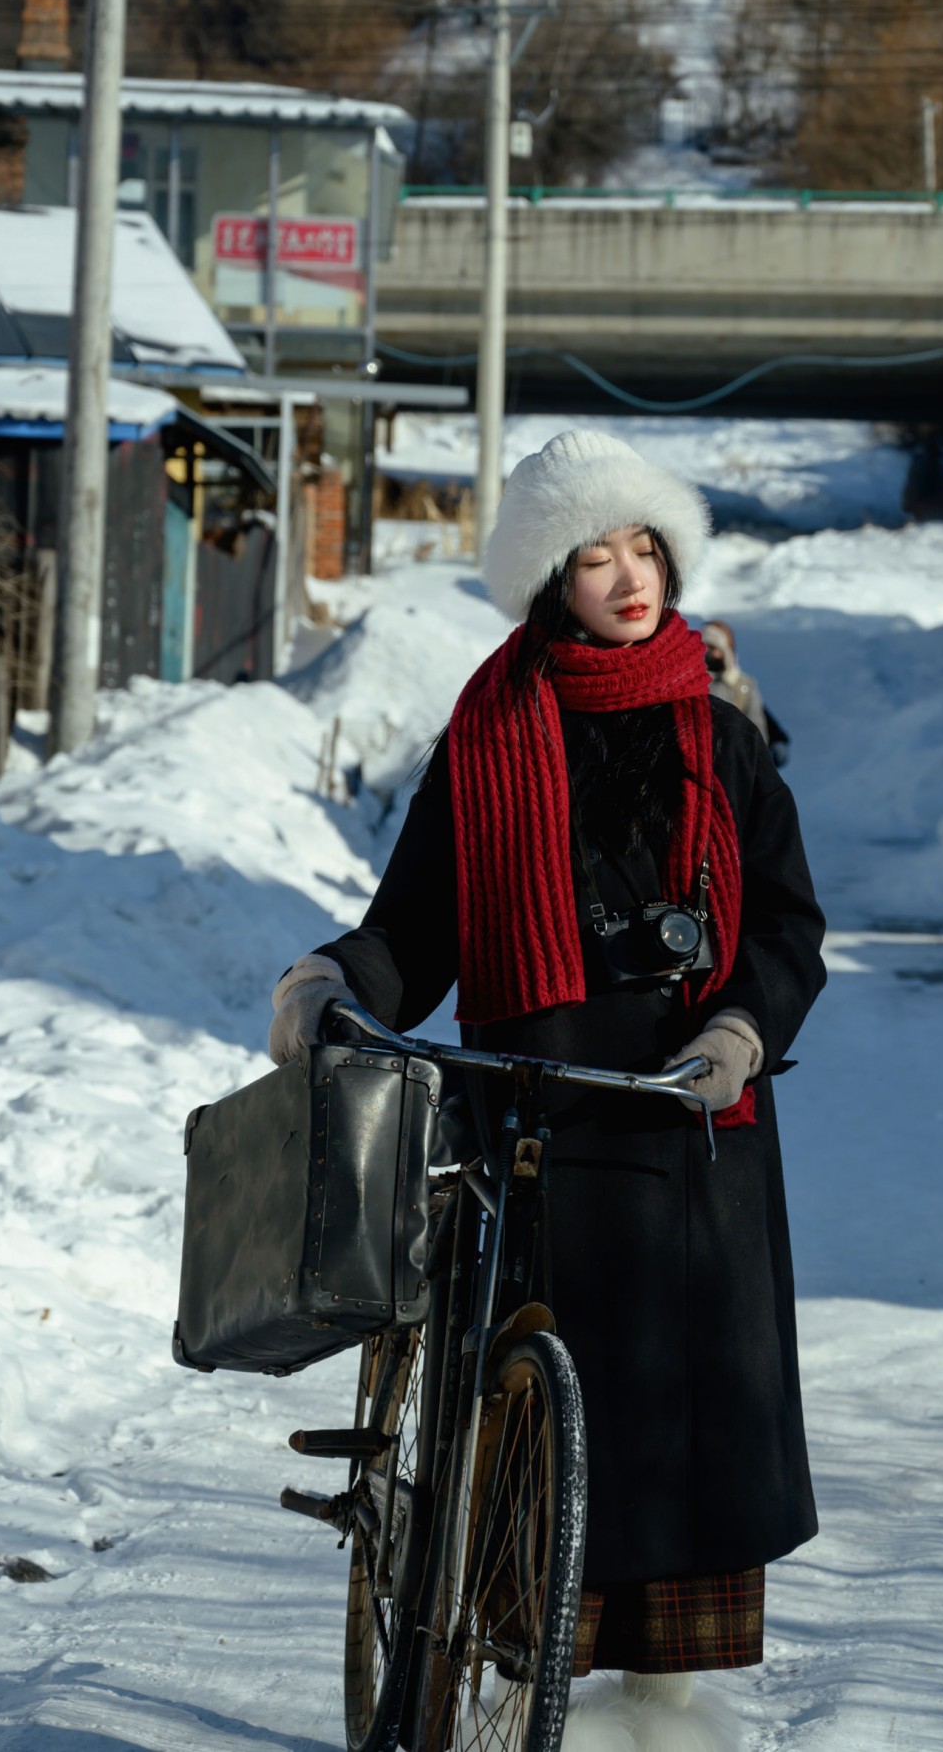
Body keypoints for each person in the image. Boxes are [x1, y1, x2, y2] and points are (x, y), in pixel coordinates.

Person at [267, 431, 827, 1751]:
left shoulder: (724, 738)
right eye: (592, 556)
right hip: (537, 1126)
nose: (628, 577)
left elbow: (790, 928)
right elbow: (418, 927)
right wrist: (330, 975)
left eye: (643, 546)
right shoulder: (490, 738)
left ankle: (663, 1706)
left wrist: (744, 1030)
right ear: (545, 584)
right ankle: (521, 1668)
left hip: (693, 1132)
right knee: (532, 1429)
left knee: (682, 1438)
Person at [699, 620, 790, 769]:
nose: (707, 652)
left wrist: (775, 741)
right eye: (704, 646)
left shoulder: (742, 685)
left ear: (725, 650)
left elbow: (759, 720)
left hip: (738, 763)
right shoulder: (693, 682)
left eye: (713, 647)